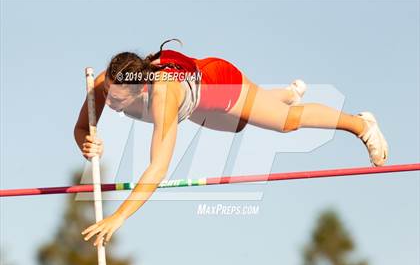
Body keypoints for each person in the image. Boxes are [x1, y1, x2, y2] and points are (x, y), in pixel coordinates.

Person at [76, 39, 388, 247]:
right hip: (195, 105)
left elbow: (158, 168)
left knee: (286, 123)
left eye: (117, 100)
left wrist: (119, 217)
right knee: (238, 126)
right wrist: (87, 144)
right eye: (108, 95)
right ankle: (281, 95)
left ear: (140, 89)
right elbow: (80, 128)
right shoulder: (108, 81)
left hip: (217, 84)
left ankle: (361, 124)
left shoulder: (162, 97)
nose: (110, 103)